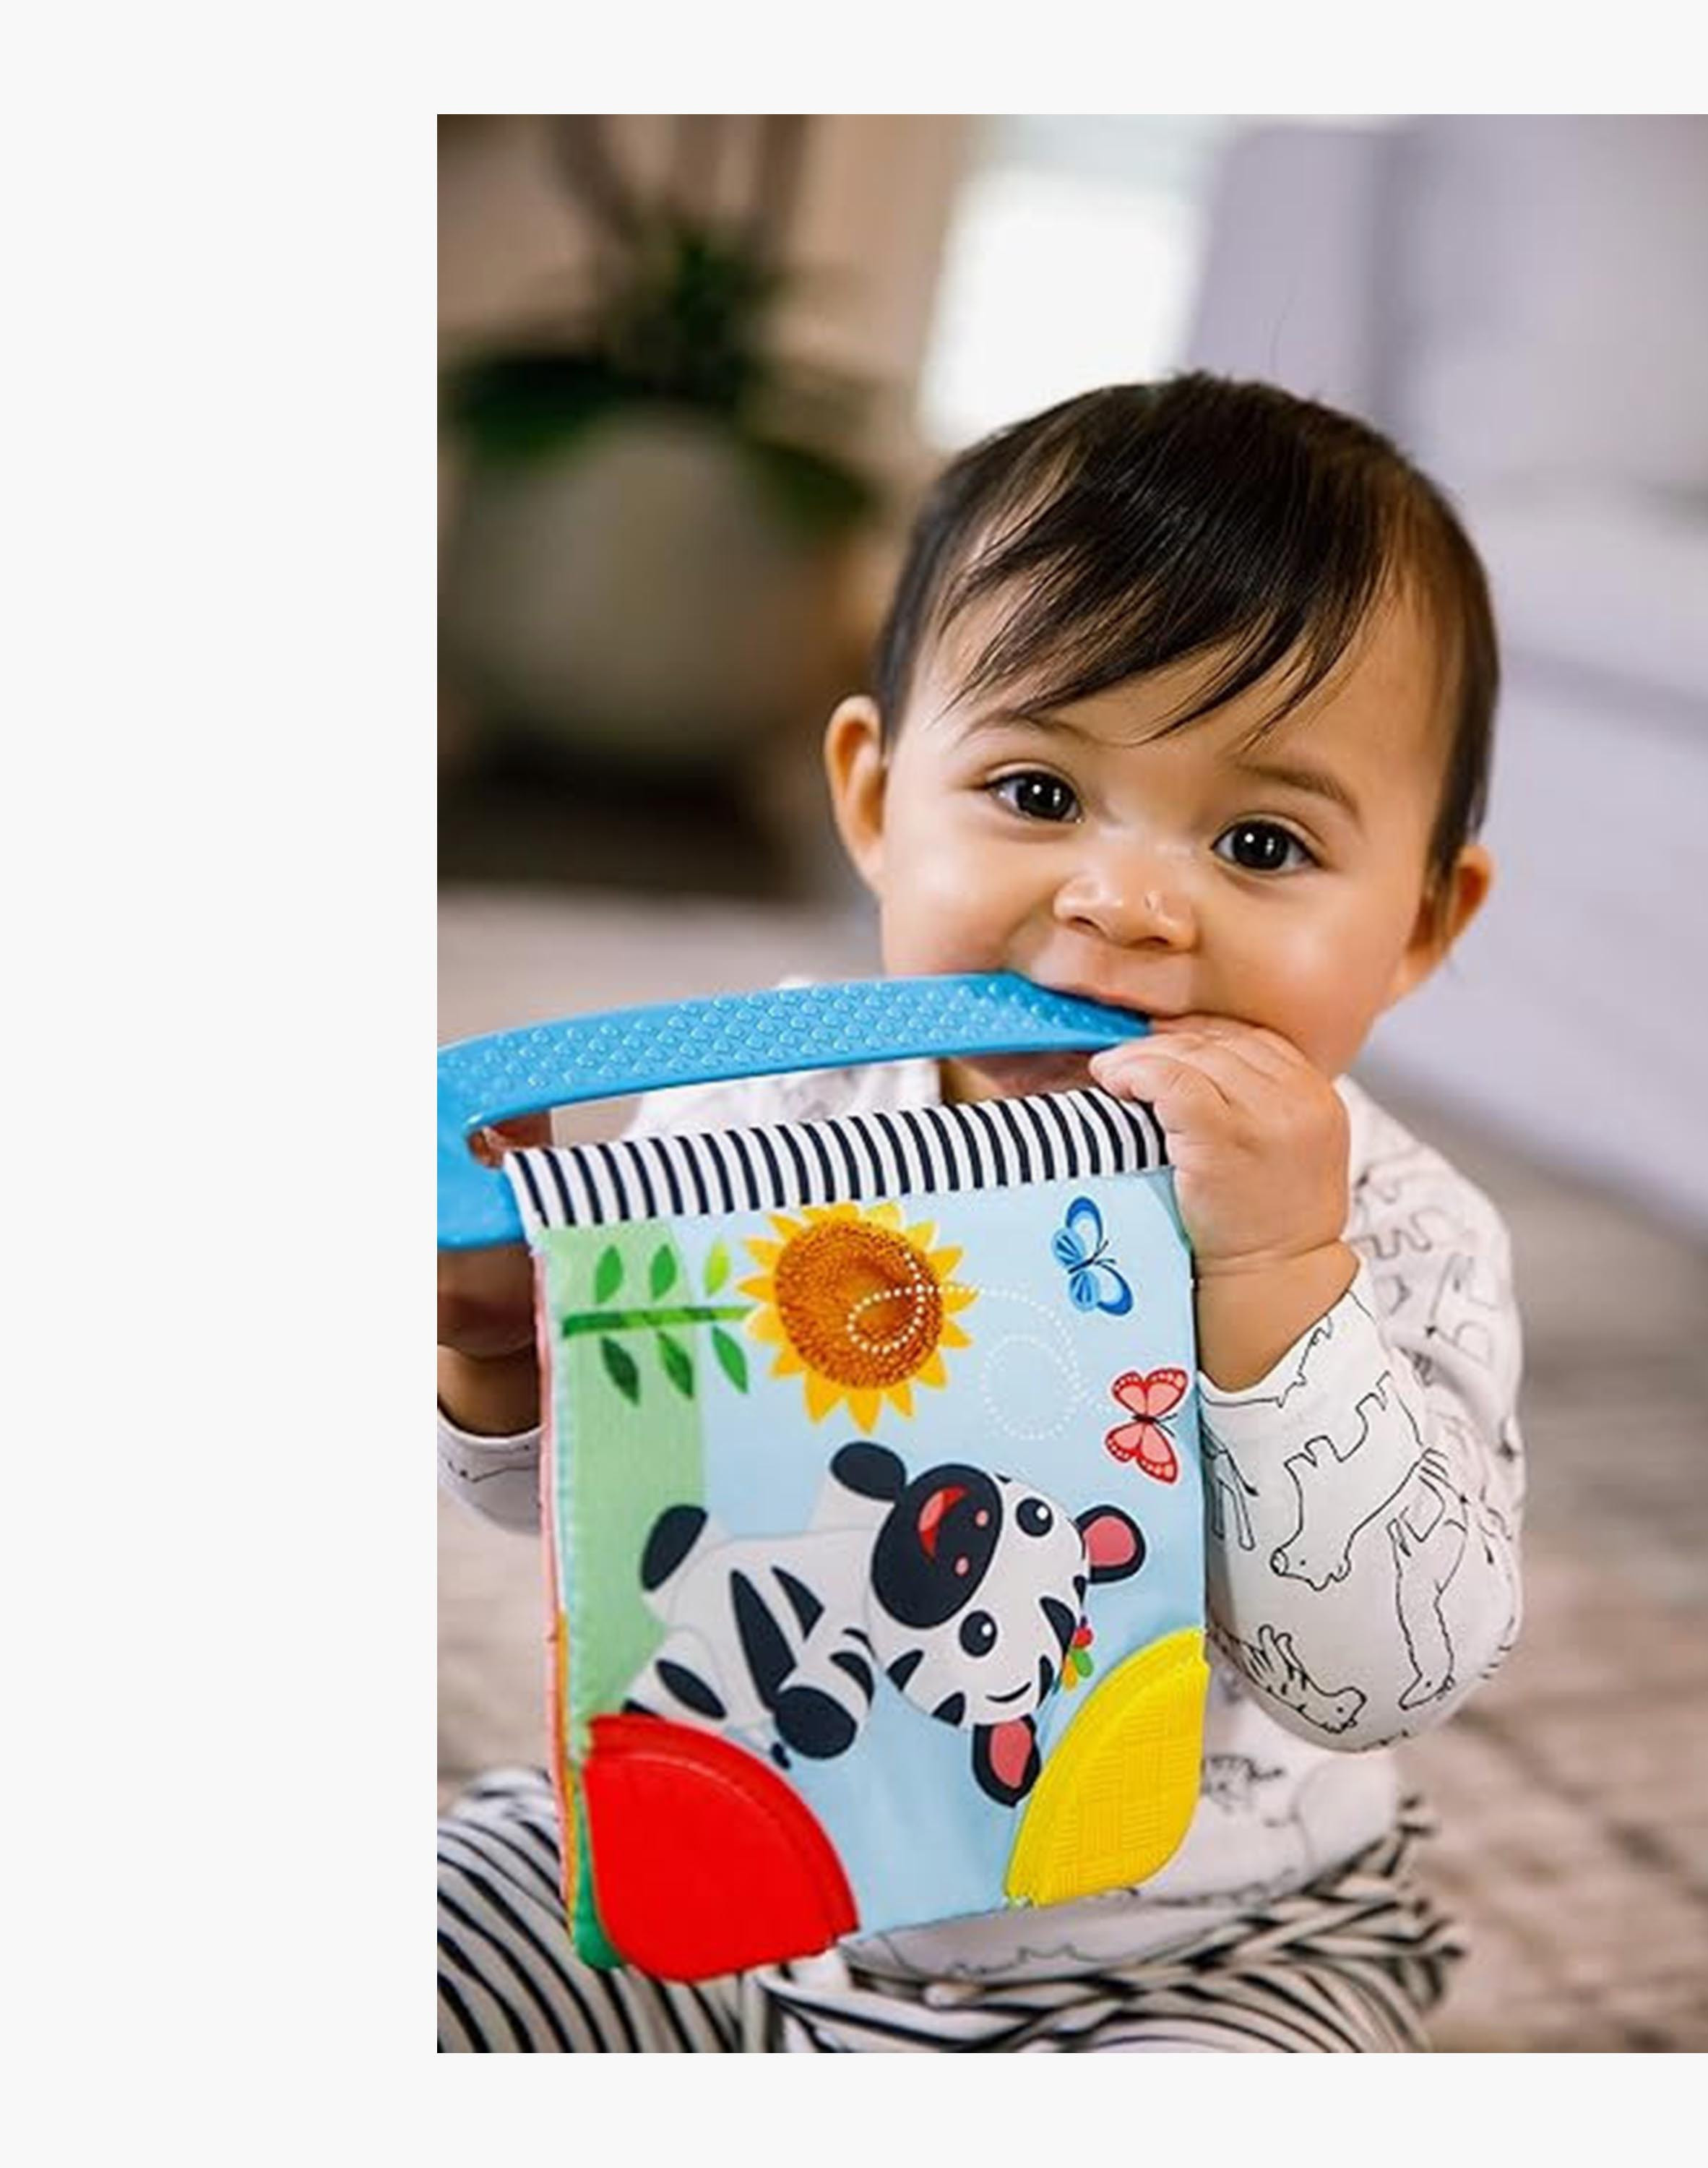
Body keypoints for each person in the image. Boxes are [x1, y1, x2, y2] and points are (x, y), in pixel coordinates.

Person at [436, 373, 1527, 2052]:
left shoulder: (1404, 1236)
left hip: (1199, 1951)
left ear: (1421, 927)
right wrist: (508, 1361)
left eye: (1260, 841)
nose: (1128, 903)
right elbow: (590, 1514)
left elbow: (1382, 1675)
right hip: (738, 1873)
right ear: (877, 802)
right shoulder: (765, 1115)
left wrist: (1275, 1271)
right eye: (1037, 793)